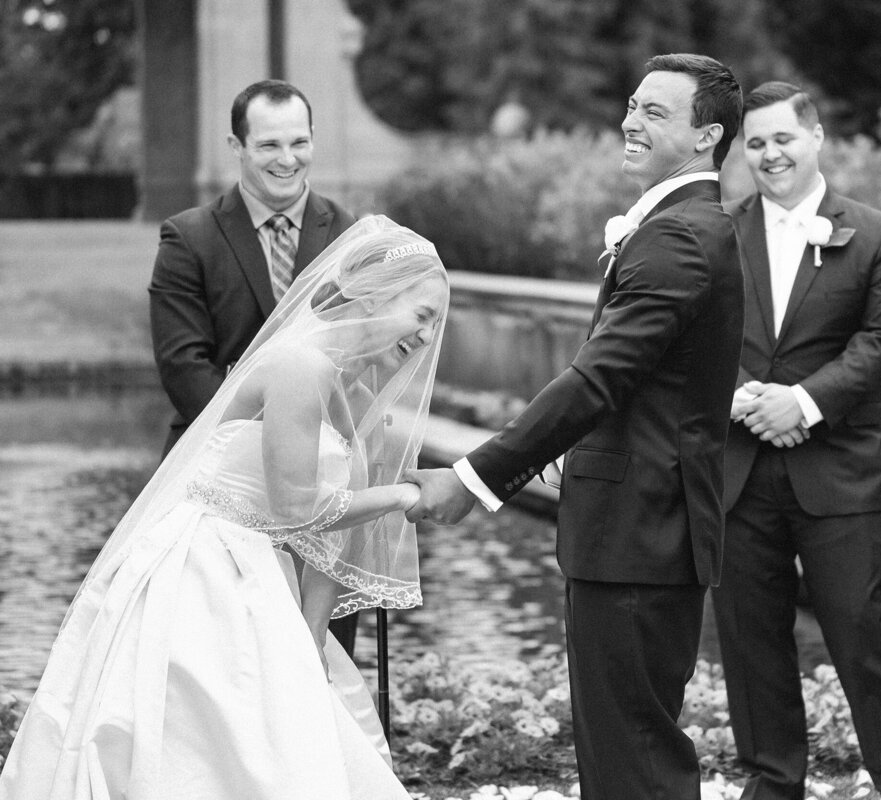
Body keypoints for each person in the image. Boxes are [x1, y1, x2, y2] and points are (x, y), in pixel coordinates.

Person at [0, 217, 448, 800]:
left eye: (437, 323)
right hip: (202, 570)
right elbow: (295, 508)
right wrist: (404, 495)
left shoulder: (362, 400)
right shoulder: (299, 365)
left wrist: (310, 640)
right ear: (371, 294)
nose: (428, 335)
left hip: (268, 577)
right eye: (422, 315)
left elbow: (332, 543)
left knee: (298, 732)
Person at [404, 53, 744, 800]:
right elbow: (643, 386)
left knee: (634, 762)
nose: (630, 120)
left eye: (656, 112)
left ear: (705, 137)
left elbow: (599, 377)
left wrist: (474, 477)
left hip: (639, 538)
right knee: (624, 752)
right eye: (631, 104)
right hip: (634, 531)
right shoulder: (678, 227)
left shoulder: (680, 237)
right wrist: (571, 453)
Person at [712, 82, 881, 800]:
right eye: (756, 143)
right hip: (739, 471)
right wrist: (739, 394)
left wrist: (804, 403)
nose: (770, 154)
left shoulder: (875, 232)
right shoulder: (715, 231)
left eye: (783, 138)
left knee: (864, 638)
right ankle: (772, 782)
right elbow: (692, 333)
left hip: (838, 475)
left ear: (815, 139)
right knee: (751, 645)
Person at [148, 78, 360, 651]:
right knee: (218, 664)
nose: (287, 160)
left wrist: (310, 459)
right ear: (236, 146)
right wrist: (263, 454)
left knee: (319, 663)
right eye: (268, 145)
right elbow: (183, 367)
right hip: (215, 485)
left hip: (323, 494)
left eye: (299, 142)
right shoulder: (188, 239)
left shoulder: (354, 237)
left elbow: (366, 361)